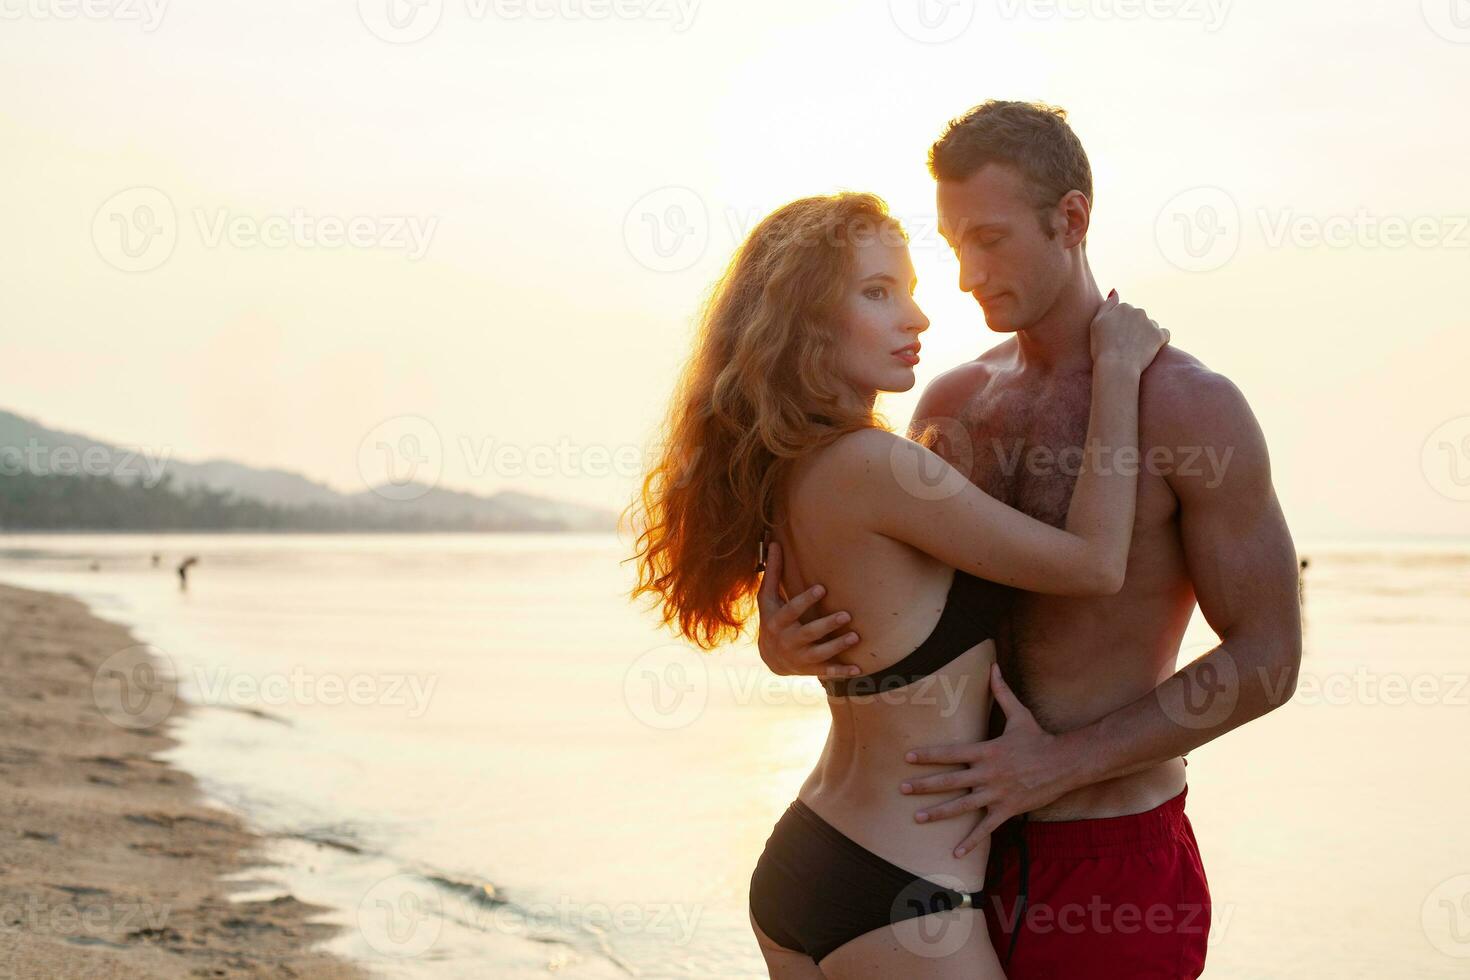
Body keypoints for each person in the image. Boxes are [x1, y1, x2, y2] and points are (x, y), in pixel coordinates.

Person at [756, 101, 1303, 978]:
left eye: (991, 238)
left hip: (1106, 858)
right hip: (937, 860)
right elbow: (881, 595)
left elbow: (1270, 657)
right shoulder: (948, 405)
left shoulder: (1190, 407)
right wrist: (788, 643)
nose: (967, 275)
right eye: (952, 243)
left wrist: (1058, 766)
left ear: (1072, 219)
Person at [629, 191, 1167, 977]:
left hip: (811, 862)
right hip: (907, 895)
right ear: (802, 318)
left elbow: (858, 627)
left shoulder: (790, 469)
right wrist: (1117, 370)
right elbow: (1092, 564)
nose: (916, 318)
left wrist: (778, 653)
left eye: (910, 290)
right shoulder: (878, 467)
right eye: (877, 293)